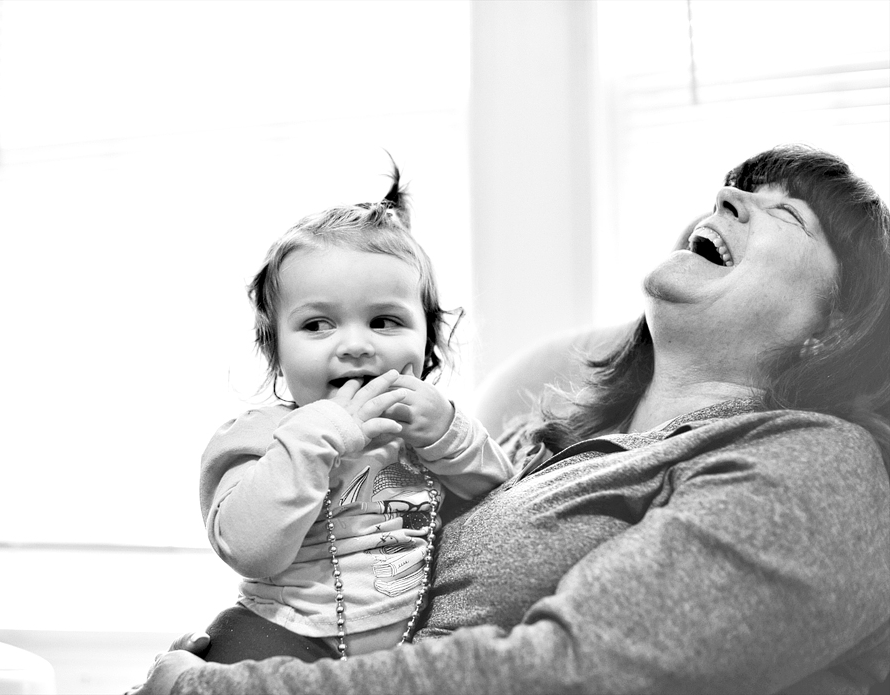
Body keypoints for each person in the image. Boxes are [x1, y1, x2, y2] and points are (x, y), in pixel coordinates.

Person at [135, 145, 890, 695]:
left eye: (782, 211)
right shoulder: (549, 439)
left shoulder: (816, 462)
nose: (725, 198)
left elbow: (573, 673)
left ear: (836, 325)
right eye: (730, 188)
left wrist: (207, 690)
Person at [194, 163, 514, 664]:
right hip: (279, 635)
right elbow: (249, 548)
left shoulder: (424, 429)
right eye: (318, 324)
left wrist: (448, 432)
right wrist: (320, 434)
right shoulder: (261, 435)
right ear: (275, 349)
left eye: (384, 321)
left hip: (416, 640)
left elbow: (502, 505)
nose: (356, 345)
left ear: (427, 338)